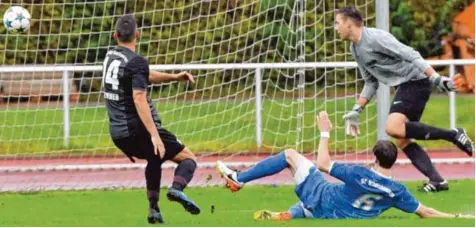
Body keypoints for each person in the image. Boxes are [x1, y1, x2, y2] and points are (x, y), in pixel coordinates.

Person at [216, 111, 473, 220]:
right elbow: (425, 212)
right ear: (395, 160)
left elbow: (323, 162)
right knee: (313, 193)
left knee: (290, 156)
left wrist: (325, 133)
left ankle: (239, 179)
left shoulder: (359, 174)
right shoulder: (398, 191)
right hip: (341, 213)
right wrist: (454, 216)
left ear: (374, 157)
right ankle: (292, 214)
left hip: (325, 198)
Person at [335, 6, 473, 192]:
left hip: (416, 80)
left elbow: (411, 54)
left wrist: (435, 77)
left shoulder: (376, 38)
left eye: (337, 23)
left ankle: (454, 135)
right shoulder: (355, 49)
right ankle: (437, 181)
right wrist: (357, 109)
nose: (335, 28)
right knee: (401, 138)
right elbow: (371, 82)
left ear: (349, 24)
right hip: (405, 85)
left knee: (392, 127)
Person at [102, 15, 200, 224]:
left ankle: (153, 209)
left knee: (154, 156)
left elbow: (144, 74)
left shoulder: (111, 56)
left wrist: (174, 77)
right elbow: (139, 98)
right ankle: (176, 189)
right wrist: (155, 135)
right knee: (188, 159)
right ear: (138, 34)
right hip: (136, 129)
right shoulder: (136, 62)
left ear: (115, 35)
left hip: (117, 134)